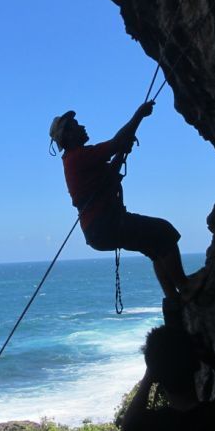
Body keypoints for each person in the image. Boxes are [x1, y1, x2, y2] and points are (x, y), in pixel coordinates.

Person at [49, 102, 197, 300]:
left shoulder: (78, 158)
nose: (82, 127)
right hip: (105, 224)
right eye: (76, 125)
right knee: (165, 232)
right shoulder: (78, 157)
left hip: (100, 228)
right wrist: (139, 115)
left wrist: (121, 152)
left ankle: (173, 300)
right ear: (67, 135)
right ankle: (184, 287)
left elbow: (110, 172)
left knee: (155, 248)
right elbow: (117, 141)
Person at [120, 325, 215, 431]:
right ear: (196, 365)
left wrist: (151, 373)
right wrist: (214, 362)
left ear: (155, 374)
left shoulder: (155, 426)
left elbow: (128, 427)